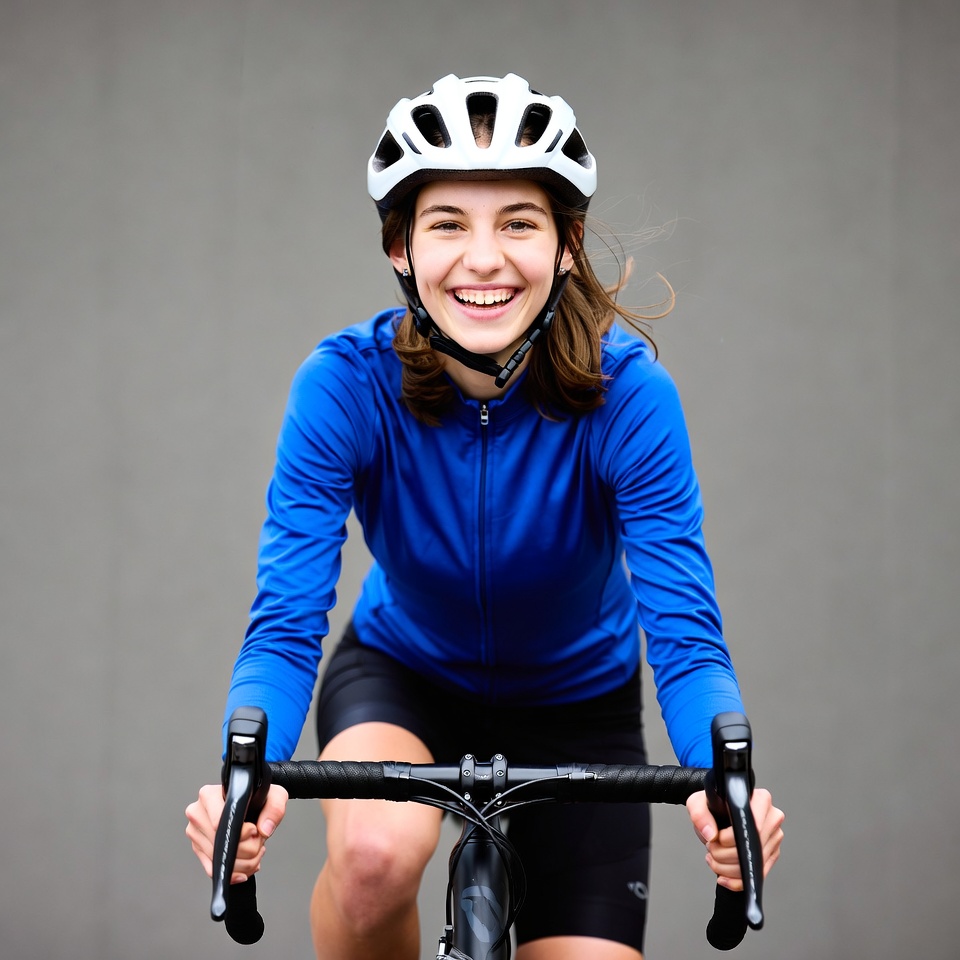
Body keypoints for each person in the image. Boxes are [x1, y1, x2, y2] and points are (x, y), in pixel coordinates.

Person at [186, 73, 784, 960]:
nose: (483, 258)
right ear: (400, 245)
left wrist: (727, 781)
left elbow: (687, 637)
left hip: (580, 706)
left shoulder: (631, 400)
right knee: (374, 858)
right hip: (405, 675)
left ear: (567, 244)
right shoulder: (344, 386)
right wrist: (249, 765)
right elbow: (284, 624)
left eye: (517, 222)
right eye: (447, 224)